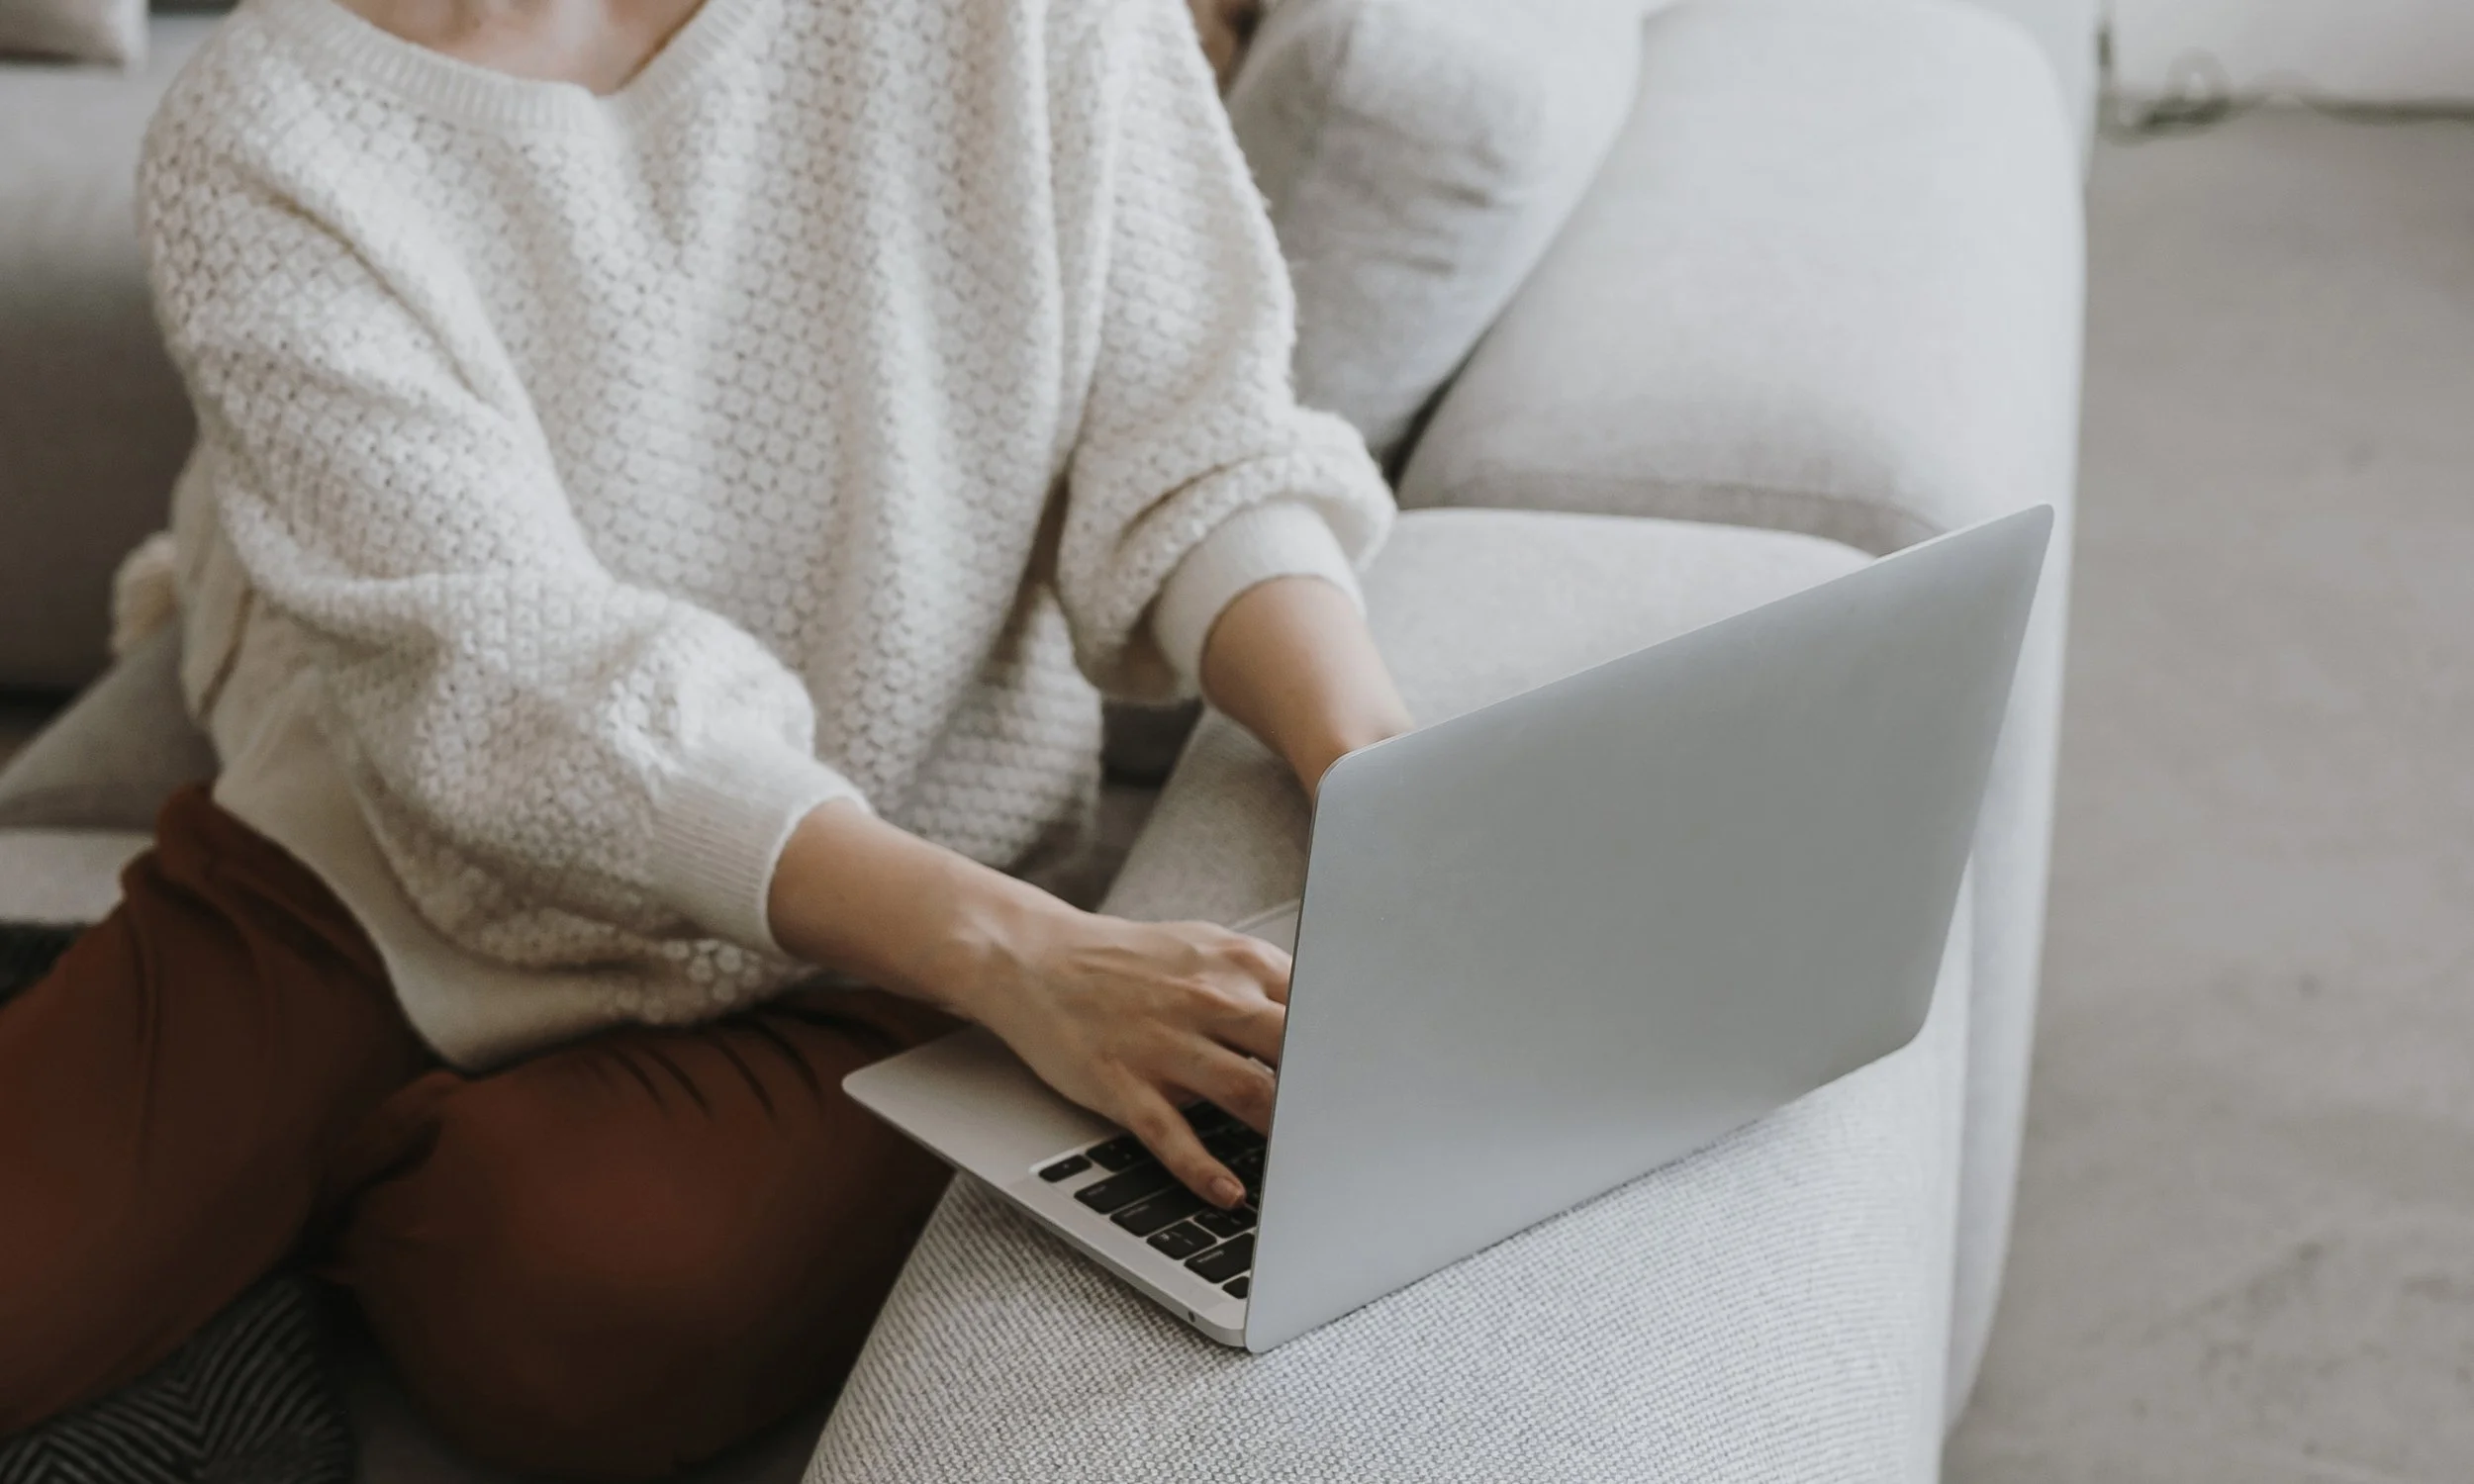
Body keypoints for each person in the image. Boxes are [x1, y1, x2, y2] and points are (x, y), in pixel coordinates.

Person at [0, 0, 1411, 1474]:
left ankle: (337, 1188)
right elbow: (499, 681)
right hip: (380, 878)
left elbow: (1203, 448)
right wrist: (1026, 957)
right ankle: (319, 1164)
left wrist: (1371, 762)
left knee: (551, 1307)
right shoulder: (263, 124)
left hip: (883, 916)